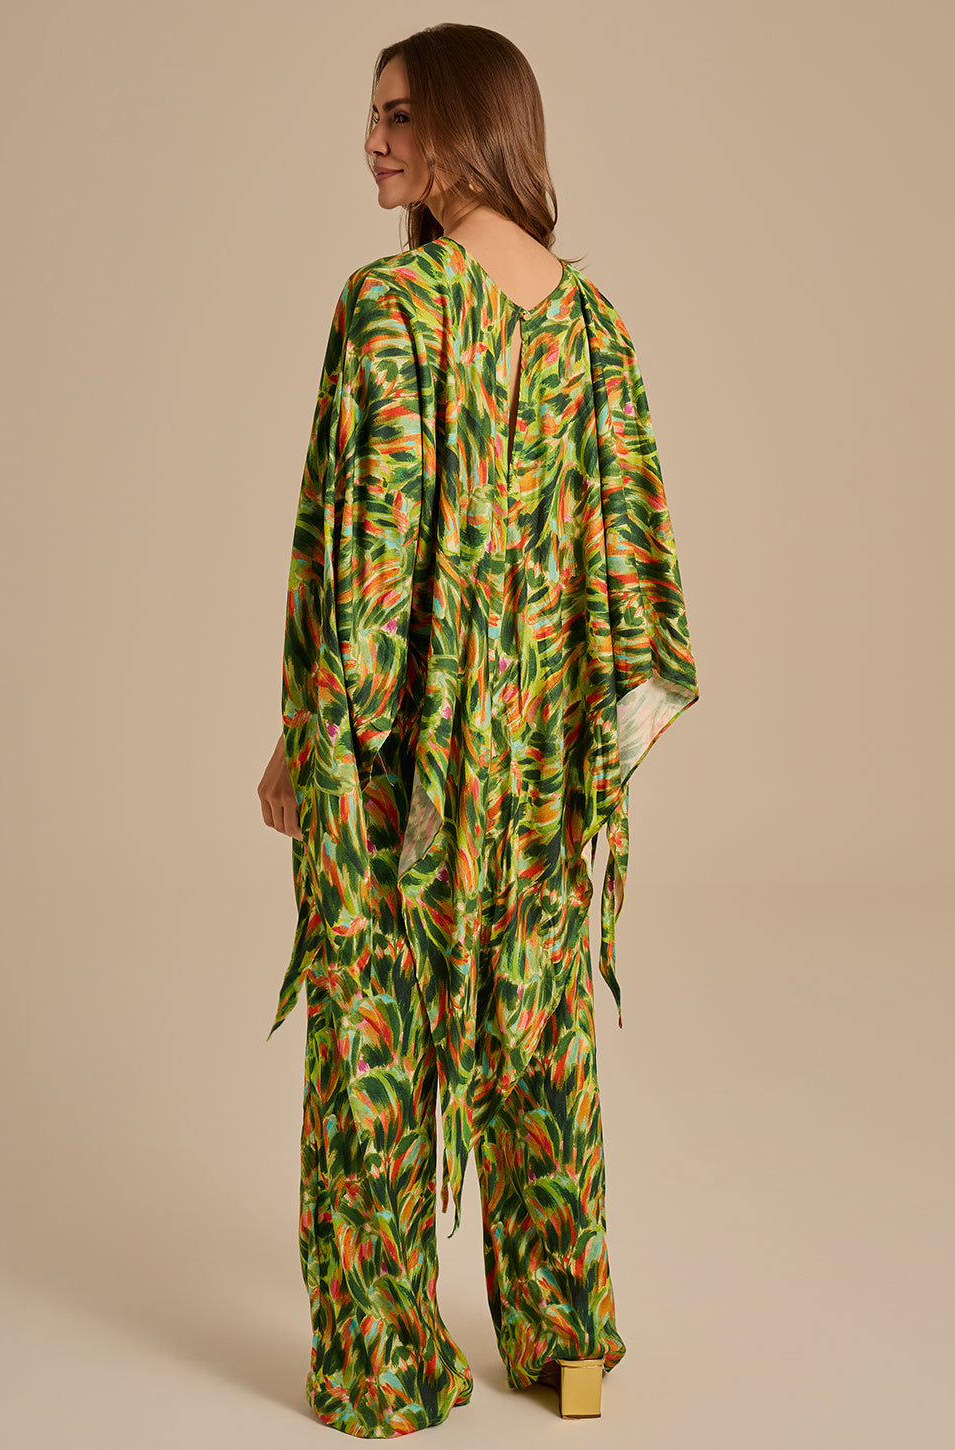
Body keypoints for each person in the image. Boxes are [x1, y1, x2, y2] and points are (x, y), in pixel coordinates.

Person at [257, 22, 698, 1439]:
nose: (374, 142)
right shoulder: (595, 326)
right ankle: (568, 1346)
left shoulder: (393, 304)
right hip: (538, 771)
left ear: (469, 120)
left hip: (400, 764)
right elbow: (633, 574)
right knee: (537, 1041)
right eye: (372, 116)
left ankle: (389, 1365)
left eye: (400, 115)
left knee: (375, 1046)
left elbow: (374, 561)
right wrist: (561, 738)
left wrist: (312, 737)